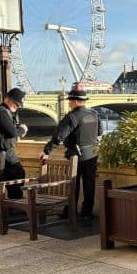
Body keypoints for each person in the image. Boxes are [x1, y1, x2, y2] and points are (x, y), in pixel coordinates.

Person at [40, 87, 102, 220]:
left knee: (73, 183)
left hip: (76, 154)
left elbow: (59, 136)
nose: (68, 103)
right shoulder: (94, 114)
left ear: (74, 101)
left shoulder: (72, 116)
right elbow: (99, 133)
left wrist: (47, 151)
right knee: (89, 184)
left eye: (70, 100)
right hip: (92, 153)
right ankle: (87, 213)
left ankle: (70, 212)